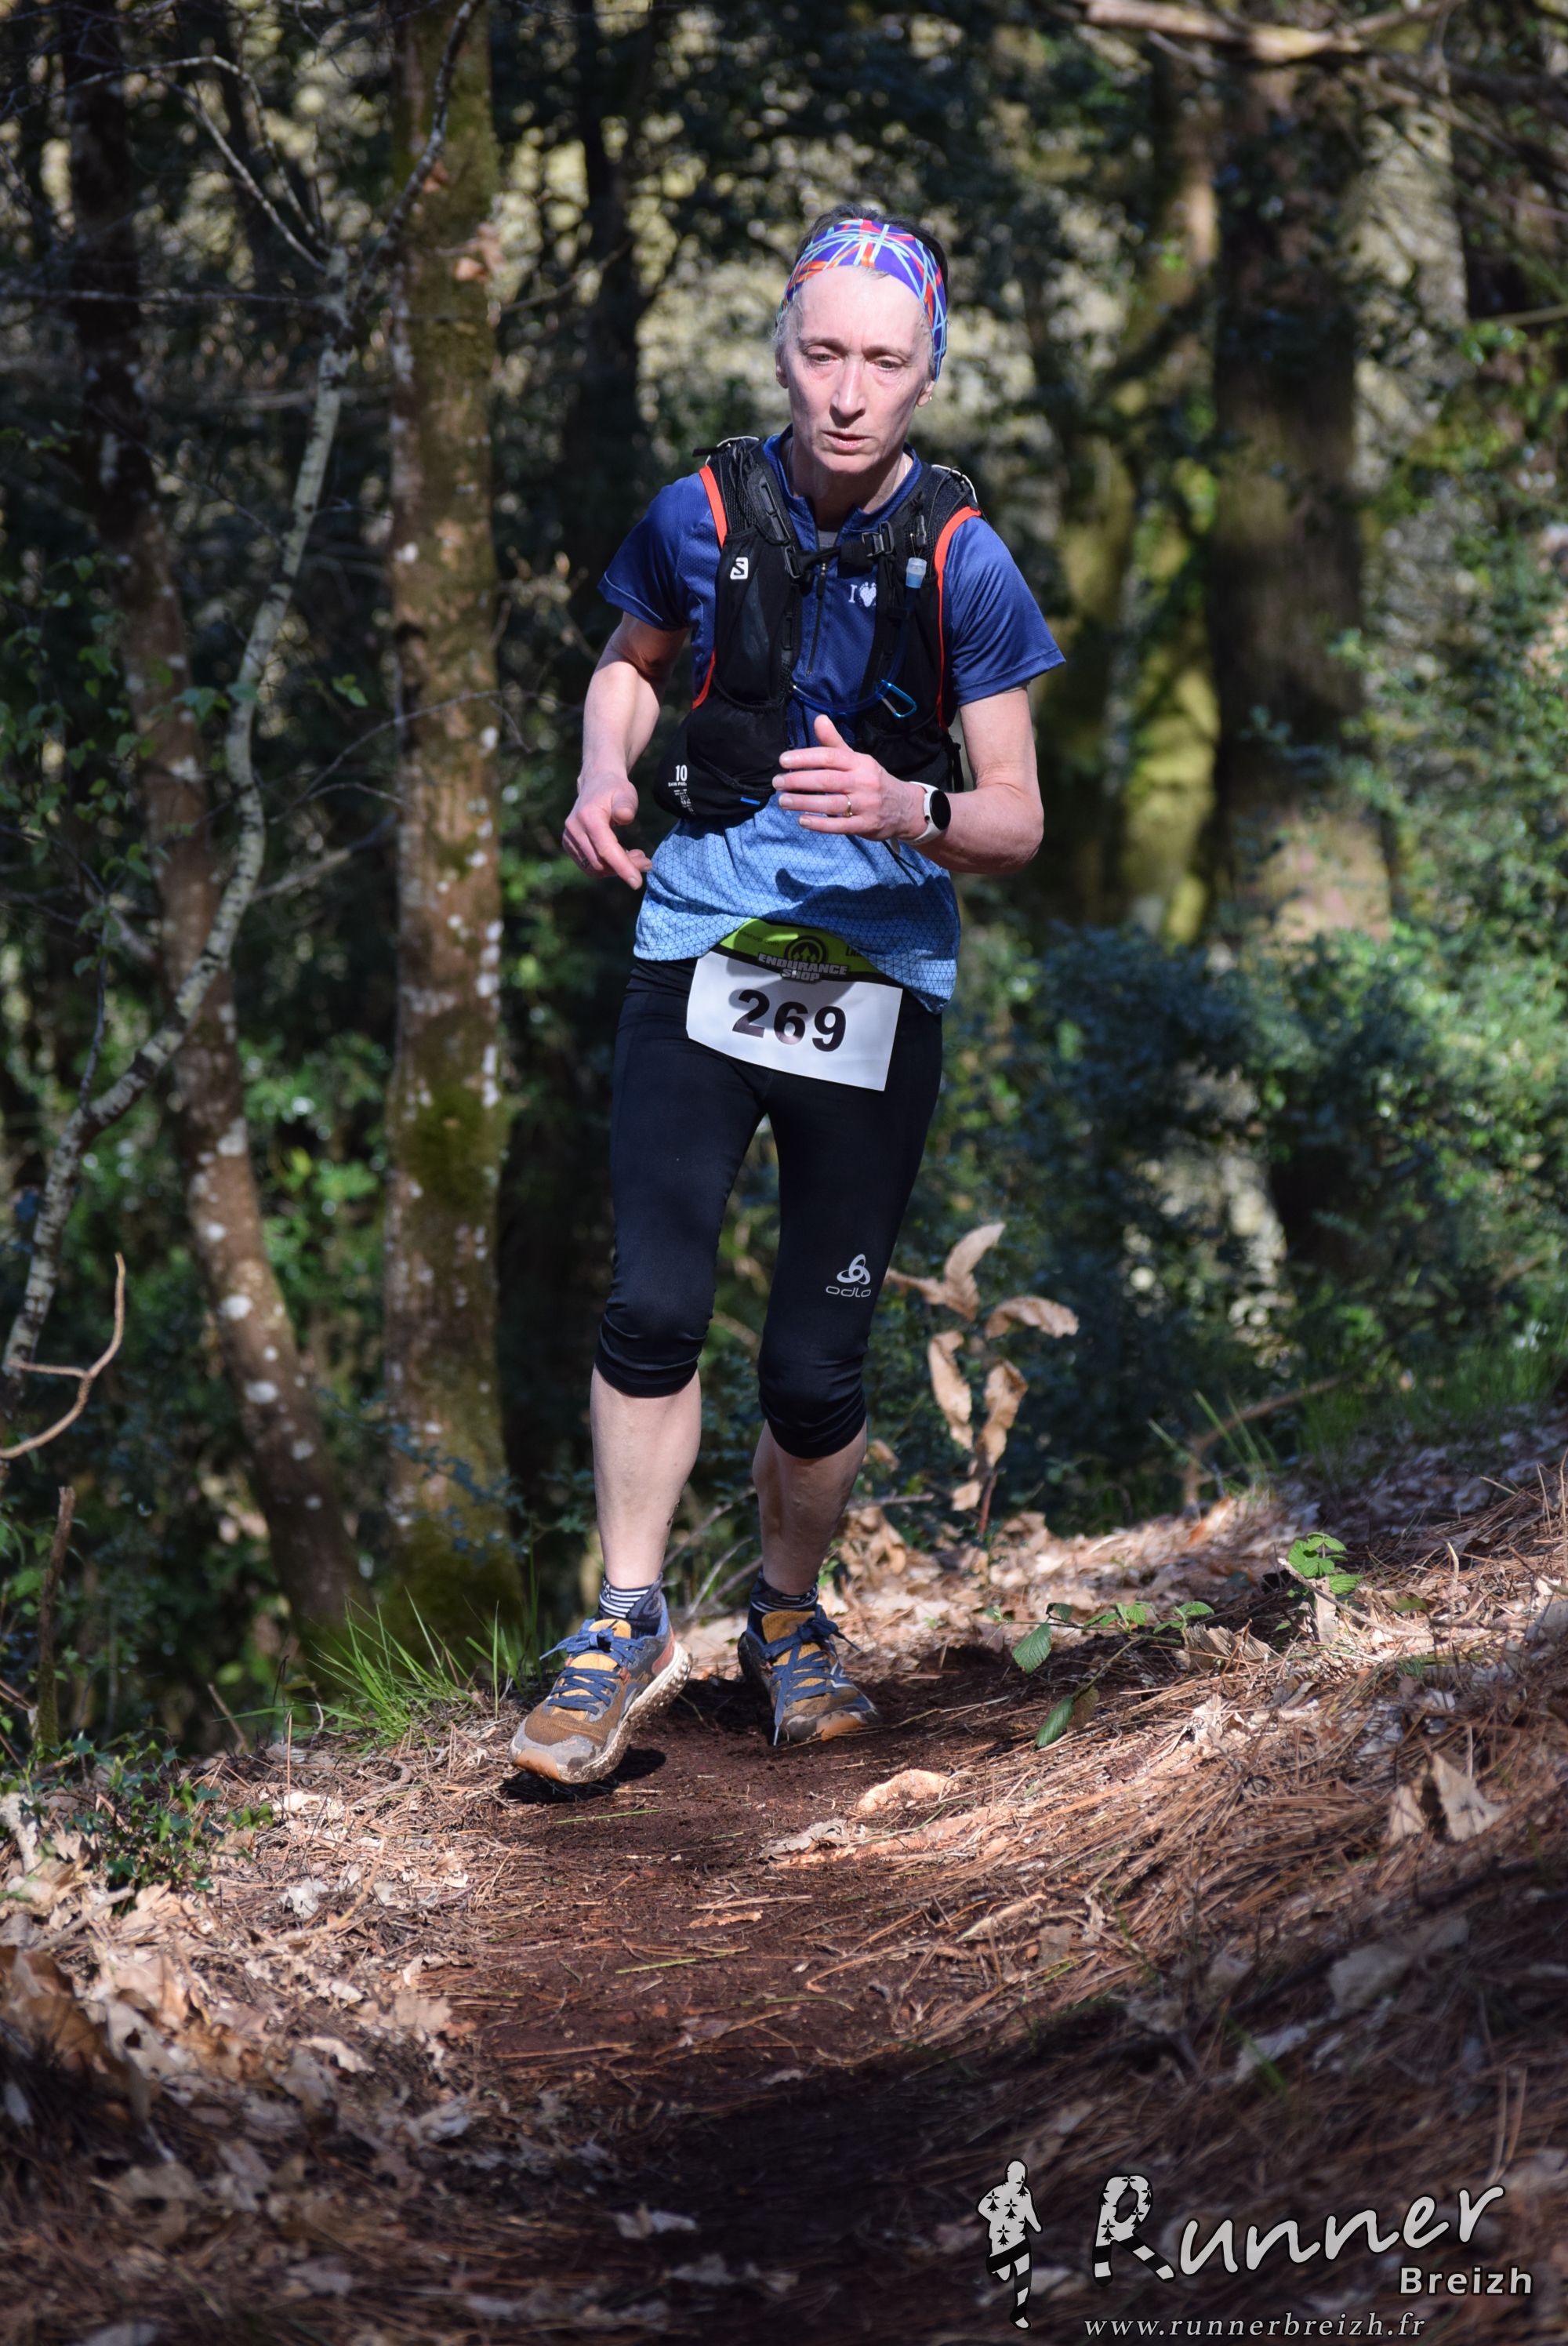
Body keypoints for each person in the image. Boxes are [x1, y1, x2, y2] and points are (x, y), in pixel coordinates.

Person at [511, 209, 1062, 1786]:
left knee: (817, 1367)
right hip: (700, 943)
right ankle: (623, 1623)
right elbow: (630, 660)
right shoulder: (697, 512)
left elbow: (1016, 817)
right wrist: (602, 771)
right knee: (652, 1302)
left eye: (883, 361)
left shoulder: (965, 561)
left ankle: (785, 1618)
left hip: (875, 975)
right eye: (823, 354)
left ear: (929, 375)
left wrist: (901, 805)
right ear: (781, 356)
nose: (848, 390)